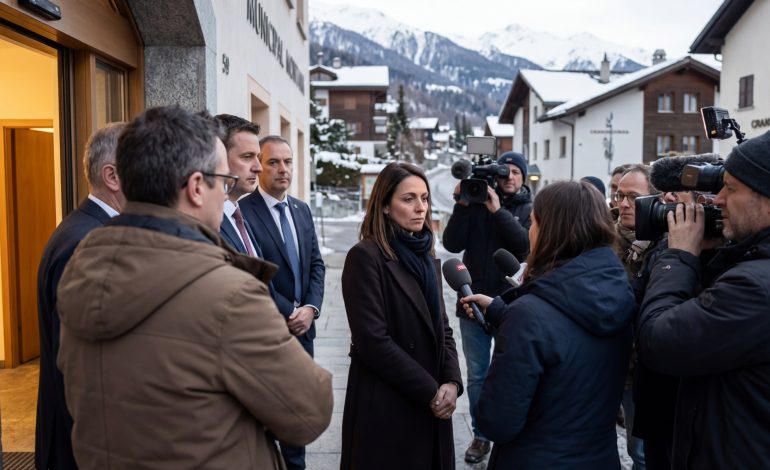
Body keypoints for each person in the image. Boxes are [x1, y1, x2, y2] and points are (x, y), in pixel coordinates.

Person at [55, 106, 333, 469]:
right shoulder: (228, 294)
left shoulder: (83, 265)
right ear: (197, 187)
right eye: (224, 181)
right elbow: (310, 412)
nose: (228, 193)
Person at [461, 180, 634, 469]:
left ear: (550, 231)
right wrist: (504, 312)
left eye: (533, 222)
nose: (530, 231)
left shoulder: (528, 316)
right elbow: (569, 333)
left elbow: (497, 421)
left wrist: (517, 321)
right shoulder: (618, 292)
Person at [636, 130, 770, 468]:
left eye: (731, 189)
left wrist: (679, 256)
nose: (718, 200)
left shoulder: (755, 287)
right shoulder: (752, 267)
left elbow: (660, 340)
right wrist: (710, 255)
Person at [340, 162, 463, 470]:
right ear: (384, 205)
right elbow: (372, 341)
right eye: (409, 199)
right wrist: (431, 392)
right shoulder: (365, 257)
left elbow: (443, 327)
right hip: (388, 401)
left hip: (432, 400)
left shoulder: (426, 254)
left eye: (424, 198)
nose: (420, 208)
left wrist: (452, 381)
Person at [35, 122, 126, 470]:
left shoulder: (92, 229)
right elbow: (76, 370)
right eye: (141, 165)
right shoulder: (86, 242)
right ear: (112, 176)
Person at [237, 135, 326, 470]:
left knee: (297, 412)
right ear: (259, 166)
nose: (282, 169)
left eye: (287, 162)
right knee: (266, 415)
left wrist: (311, 309)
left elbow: (316, 265)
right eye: (273, 162)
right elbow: (253, 274)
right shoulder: (242, 213)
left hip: (304, 332)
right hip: (270, 330)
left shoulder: (301, 210)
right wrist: (290, 311)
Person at [442, 150, 531, 463]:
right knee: (477, 375)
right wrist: (463, 205)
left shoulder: (529, 208)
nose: (510, 177)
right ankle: (481, 435)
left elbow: (524, 245)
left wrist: (497, 211)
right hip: (473, 300)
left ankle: (510, 429)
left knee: (511, 371)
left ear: (524, 176)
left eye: (516, 172)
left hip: (513, 303)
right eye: (504, 172)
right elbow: (452, 243)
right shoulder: (475, 203)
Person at [613, 163, 657, 470]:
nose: (624, 204)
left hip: (647, 368)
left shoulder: (670, 243)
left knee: (642, 452)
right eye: (619, 195)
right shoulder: (604, 239)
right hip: (609, 362)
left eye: (633, 197)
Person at [214, 114, 263, 257]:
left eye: (258, 157)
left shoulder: (240, 217)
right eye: (247, 157)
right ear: (220, 157)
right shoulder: (210, 223)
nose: (259, 168)